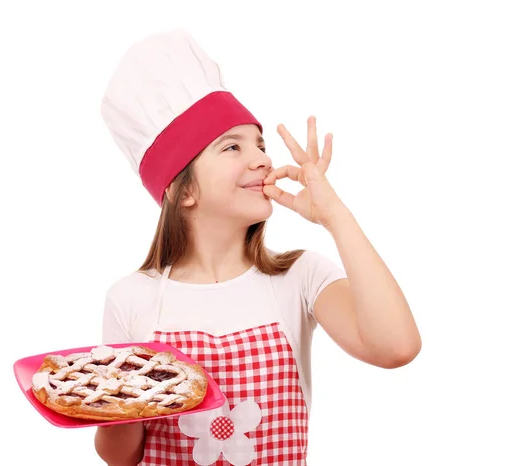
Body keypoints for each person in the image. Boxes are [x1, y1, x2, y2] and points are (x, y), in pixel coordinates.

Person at [94, 29, 421, 466]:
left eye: (260, 144)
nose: (262, 159)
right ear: (181, 190)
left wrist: (335, 216)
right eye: (232, 146)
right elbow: (119, 457)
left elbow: (396, 347)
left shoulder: (299, 277)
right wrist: (123, 398)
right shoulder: (132, 297)